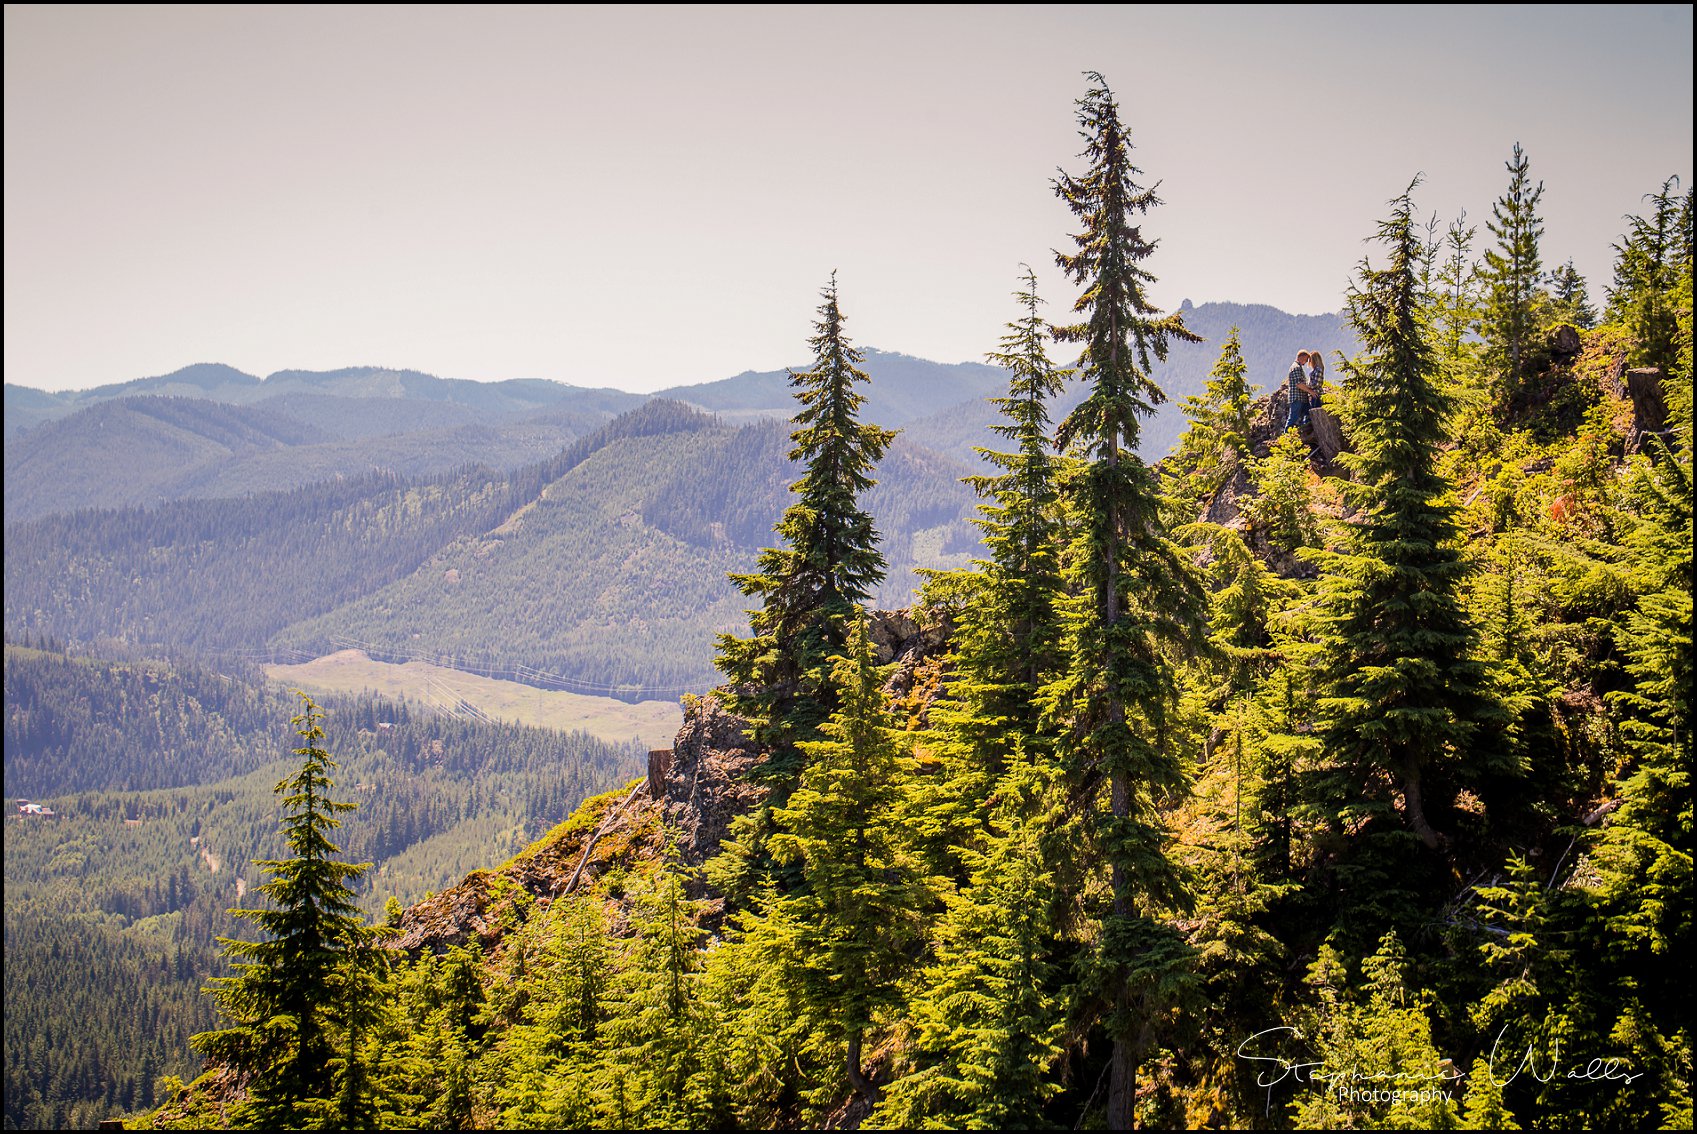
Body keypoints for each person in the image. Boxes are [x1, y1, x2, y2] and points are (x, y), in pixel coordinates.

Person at [1285, 350, 1312, 430]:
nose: (1306, 362)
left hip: (1301, 398)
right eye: (1306, 359)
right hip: (1297, 398)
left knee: (1308, 414)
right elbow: (1299, 384)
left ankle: (1304, 431)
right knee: (1293, 418)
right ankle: (1286, 436)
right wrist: (1310, 391)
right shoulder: (1296, 368)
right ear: (1302, 357)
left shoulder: (1298, 367)